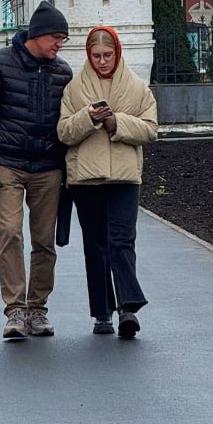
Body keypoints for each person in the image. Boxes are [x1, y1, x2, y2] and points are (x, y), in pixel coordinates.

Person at [0, 0, 73, 340]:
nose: (60, 45)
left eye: (63, 39)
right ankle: (15, 309)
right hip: (7, 164)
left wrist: (69, 171)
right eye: (57, 38)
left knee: (44, 241)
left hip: (48, 167)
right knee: (11, 233)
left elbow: (68, 123)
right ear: (38, 34)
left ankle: (37, 309)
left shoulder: (63, 72)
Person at [57, 25, 157, 339]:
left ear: (117, 53)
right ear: (88, 55)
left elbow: (150, 129)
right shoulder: (75, 89)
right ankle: (102, 312)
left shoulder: (137, 87)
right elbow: (64, 132)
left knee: (122, 241)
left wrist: (116, 122)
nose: (102, 61)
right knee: (96, 244)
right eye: (96, 55)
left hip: (125, 178)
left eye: (107, 55)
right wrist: (88, 117)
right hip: (86, 179)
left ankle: (127, 307)